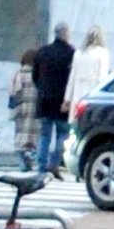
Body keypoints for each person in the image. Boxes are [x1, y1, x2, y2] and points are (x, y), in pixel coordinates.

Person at [34, 23, 77, 176]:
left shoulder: (43, 52)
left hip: (45, 99)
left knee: (44, 135)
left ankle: (40, 165)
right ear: (65, 34)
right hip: (62, 101)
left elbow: (36, 76)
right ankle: (54, 162)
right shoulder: (71, 53)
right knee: (62, 134)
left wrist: (42, 89)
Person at [71, 24, 113, 110]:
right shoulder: (103, 53)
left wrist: (67, 99)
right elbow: (103, 77)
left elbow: (72, 78)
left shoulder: (78, 53)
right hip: (94, 92)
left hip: (78, 92)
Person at [11, 48, 41, 166]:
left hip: (22, 107)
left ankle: (23, 162)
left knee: (21, 135)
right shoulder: (38, 74)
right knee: (34, 135)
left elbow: (15, 92)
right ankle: (32, 156)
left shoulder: (19, 74)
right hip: (36, 107)